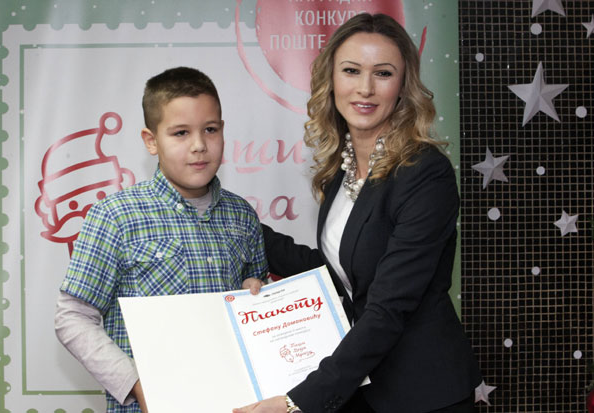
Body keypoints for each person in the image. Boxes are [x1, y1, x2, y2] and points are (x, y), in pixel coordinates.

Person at [233, 13, 481, 413]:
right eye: (351, 70)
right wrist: (237, 222)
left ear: (403, 86)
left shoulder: (424, 173)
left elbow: (388, 306)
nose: (365, 88)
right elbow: (343, 274)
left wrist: (298, 402)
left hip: (422, 393)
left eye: (383, 73)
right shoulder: (342, 169)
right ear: (331, 79)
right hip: (363, 389)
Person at [55, 66, 268, 413]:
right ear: (151, 140)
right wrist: (136, 384)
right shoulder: (115, 216)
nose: (199, 145)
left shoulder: (241, 215)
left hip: (232, 402)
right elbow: (73, 317)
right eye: (181, 133)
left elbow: (253, 291)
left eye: (210, 129)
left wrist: (254, 293)